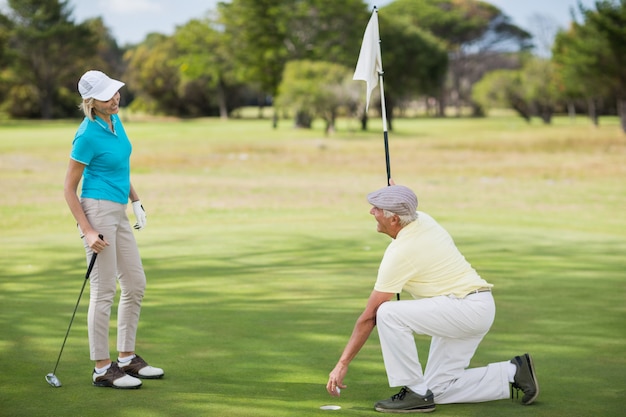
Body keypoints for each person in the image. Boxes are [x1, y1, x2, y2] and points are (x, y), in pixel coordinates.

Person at [326, 182, 539, 413]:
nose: (371, 212)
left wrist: (342, 363)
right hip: (467, 308)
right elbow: (407, 206)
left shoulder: (400, 253)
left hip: (465, 309)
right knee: (439, 390)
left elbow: (369, 317)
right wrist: (396, 194)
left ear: (395, 219)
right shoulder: (423, 219)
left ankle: (414, 392)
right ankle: (512, 372)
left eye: (377, 208)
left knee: (386, 313)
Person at [63, 70, 164, 389]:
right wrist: (88, 231)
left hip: (119, 210)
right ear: (91, 102)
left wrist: (136, 201)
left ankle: (126, 358)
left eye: (116, 92)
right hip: (96, 212)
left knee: (135, 283)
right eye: (108, 95)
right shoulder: (86, 135)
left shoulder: (115, 121)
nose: (116, 97)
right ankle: (102, 367)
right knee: (104, 289)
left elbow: (120, 167)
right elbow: (68, 189)